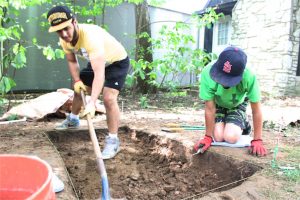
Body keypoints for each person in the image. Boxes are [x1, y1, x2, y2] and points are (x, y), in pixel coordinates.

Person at [47, 5, 129, 159]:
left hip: (116, 61)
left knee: (108, 98)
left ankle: (113, 140)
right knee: (79, 89)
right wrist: (77, 80)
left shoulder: (91, 36)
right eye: (59, 31)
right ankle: (73, 120)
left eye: (67, 28)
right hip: (97, 62)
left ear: (75, 22)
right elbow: (72, 62)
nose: (64, 34)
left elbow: (100, 74)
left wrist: (91, 103)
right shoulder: (64, 40)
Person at [194, 46, 267, 156]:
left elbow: (256, 110)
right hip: (217, 104)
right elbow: (209, 108)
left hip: (237, 104)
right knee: (218, 137)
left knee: (231, 137)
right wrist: (208, 137)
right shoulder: (207, 73)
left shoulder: (249, 76)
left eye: (228, 80)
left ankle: (243, 122)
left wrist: (257, 139)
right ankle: (227, 119)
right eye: (221, 77)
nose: (223, 83)